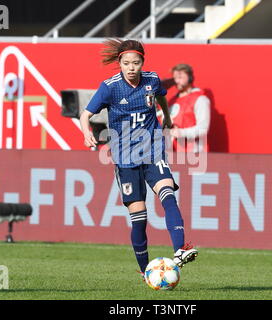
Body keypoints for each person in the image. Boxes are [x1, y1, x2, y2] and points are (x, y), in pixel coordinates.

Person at [79, 39, 198, 280]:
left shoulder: (152, 80)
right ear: (119, 64)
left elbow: (161, 96)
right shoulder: (110, 87)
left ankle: (180, 250)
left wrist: (166, 117)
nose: (131, 68)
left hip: (153, 151)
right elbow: (86, 114)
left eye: (135, 63)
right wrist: (86, 133)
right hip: (125, 159)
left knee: (168, 195)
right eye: (126, 63)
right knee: (140, 218)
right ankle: (146, 271)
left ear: (143, 62)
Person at [161, 63, 210, 153]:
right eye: (175, 78)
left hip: (194, 153)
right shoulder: (172, 100)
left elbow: (203, 129)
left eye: (180, 77)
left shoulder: (200, 99)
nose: (177, 81)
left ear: (190, 77)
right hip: (175, 153)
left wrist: (180, 133)